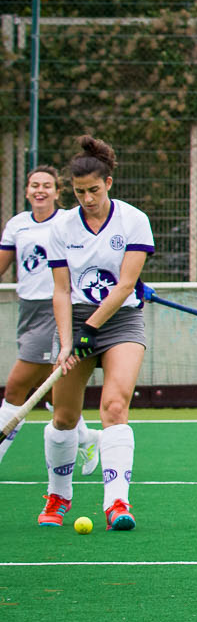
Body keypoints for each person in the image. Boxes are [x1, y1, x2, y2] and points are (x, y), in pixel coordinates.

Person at [44, 137, 151, 530]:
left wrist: (91, 329)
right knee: (64, 417)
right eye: (79, 192)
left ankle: (117, 503)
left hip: (121, 320)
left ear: (108, 182)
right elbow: (61, 290)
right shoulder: (61, 227)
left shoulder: (133, 220)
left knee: (114, 407)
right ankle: (58, 495)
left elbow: (126, 285)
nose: (87, 199)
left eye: (93, 190)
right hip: (74, 320)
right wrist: (67, 342)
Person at [1, 166, 97, 473]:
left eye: (46, 185)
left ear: (57, 192)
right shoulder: (17, 224)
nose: (40, 190)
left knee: (16, 387)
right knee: (57, 393)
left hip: (55, 310)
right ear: (27, 191)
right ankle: (87, 438)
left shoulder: (69, 221)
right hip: (28, 310)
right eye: (34, 185)